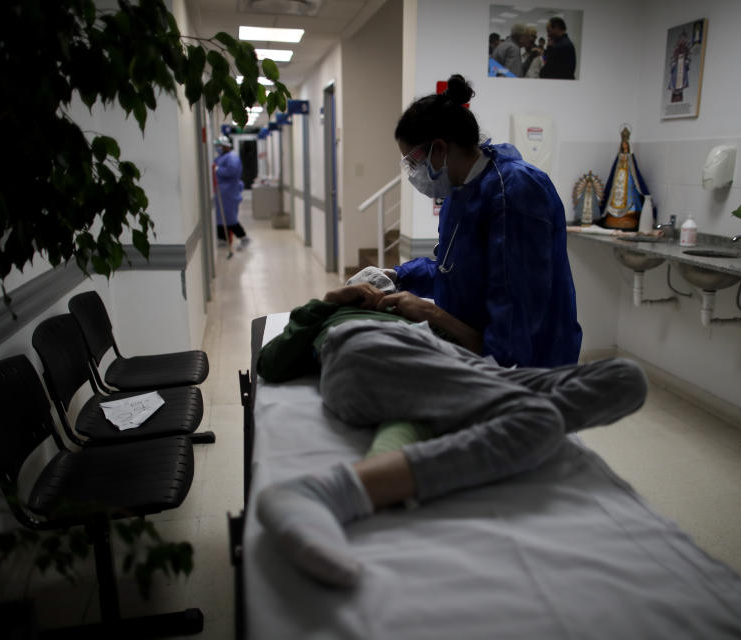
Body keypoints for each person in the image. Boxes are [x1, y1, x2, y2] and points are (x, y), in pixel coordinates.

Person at [256, 282, 648, 588]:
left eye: (381, 289)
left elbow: (483, 351)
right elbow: (271, 364)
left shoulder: (418, 318)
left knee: (626, 379)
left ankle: (459, 419)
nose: (373, 291)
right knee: (539, 420)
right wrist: (328, 302)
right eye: (363, 287)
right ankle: (326, 491)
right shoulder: (336, 318)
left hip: (455, 365)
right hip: (371, 350)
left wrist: (433, 314)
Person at [390, 74, 582, 368]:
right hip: (478, 356)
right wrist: (395, 278)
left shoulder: (515, 192)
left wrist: (432, 315)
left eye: (413, 162)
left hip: (530, 369)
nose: (413, 173)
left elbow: (516, 318)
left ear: (440, 149)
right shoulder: (460, 191)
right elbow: (452, 273)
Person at [600, 125, 649, 230]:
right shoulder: (618, 157)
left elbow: (635, 172)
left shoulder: (631, 158)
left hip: (628, 180)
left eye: (626, 145)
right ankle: (614, 215)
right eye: (623, 145)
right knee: (616, 192)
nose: (625, 147)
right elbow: (614, 171)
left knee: (630, 192)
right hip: (619, 179)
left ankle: (629, 214)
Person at [213, 136, 250, 250]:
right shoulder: (222, 157)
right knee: (220, 217)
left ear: (225, 146)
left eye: (219, 146)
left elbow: (231, 171)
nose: (218, 148)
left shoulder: (232, 157)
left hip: (229, 193)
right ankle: (223, 240)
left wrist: (217, 170)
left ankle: (243, 237)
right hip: (222, 192)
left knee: (229, 218)